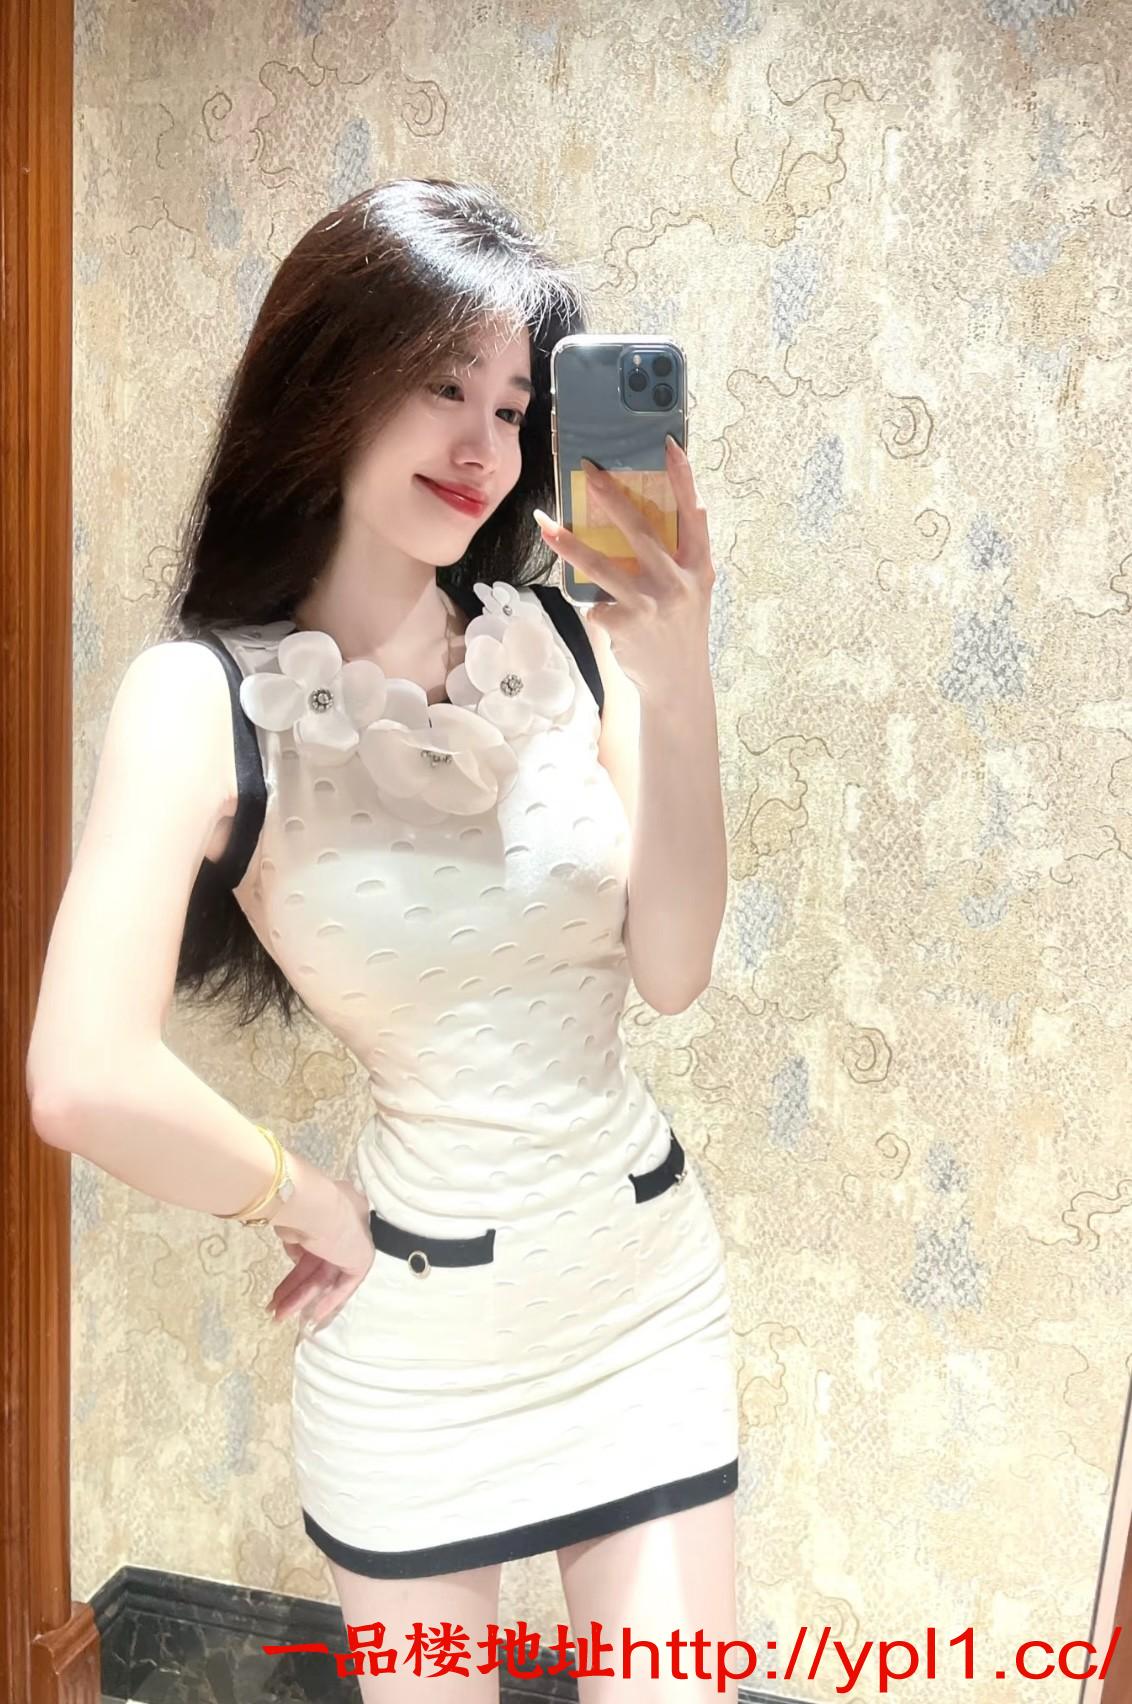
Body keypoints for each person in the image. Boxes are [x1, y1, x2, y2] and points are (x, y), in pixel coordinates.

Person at [26, 177, 739, 1702]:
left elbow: (674, 970)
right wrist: (304, 1201)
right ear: (329, 379)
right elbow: (81, 1076)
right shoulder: (200, 700)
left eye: (512, 406)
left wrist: (677, 674)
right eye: (441, 387)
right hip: (421, 1356)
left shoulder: (565, 641)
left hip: (646, 1307)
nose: (484, 447)